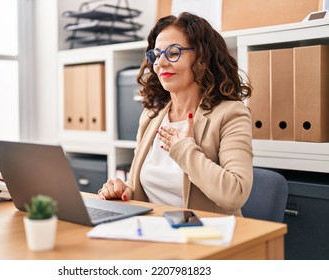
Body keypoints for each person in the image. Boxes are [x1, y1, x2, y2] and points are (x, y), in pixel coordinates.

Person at [98, 12, 253, 216]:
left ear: (202, 59)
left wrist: (184, 150)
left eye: (173, 53)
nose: (160, 63)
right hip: (152, 230)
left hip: (205, 235)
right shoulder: (151, 117)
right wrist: (124, 189)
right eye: (156, 55)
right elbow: (142, 184)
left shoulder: (230, 114)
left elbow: (235, 194)